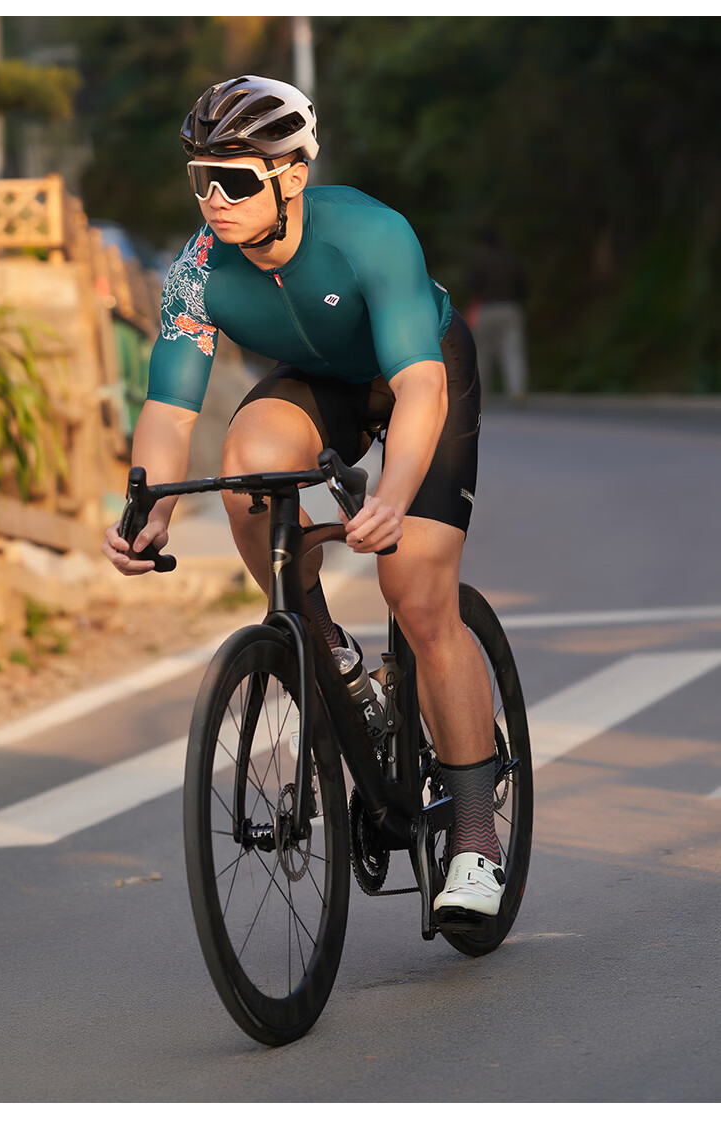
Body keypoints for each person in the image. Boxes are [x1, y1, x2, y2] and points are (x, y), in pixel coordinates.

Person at [101, 75, 504, 917]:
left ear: (291, 176)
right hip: (320, 382)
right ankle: (325, 648)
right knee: (247, 462)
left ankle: (473, 838)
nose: (214, 199)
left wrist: (393, 497)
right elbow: (169, 410)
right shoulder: (196, 269)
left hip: (420, 372)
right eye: (200, 179)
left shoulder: (370, 234)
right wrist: (150, 511)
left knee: (416, 593)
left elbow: (421, 389)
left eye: (236, 180)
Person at [467, 226, 529, 403]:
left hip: (485, 309)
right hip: (510, 307)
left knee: (482, 353)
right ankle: (516, 390)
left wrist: (472, 311)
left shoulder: (479, 260)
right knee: (513, 351)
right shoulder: (511, 259)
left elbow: (473, 289)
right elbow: (523, 286)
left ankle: (482, 393)